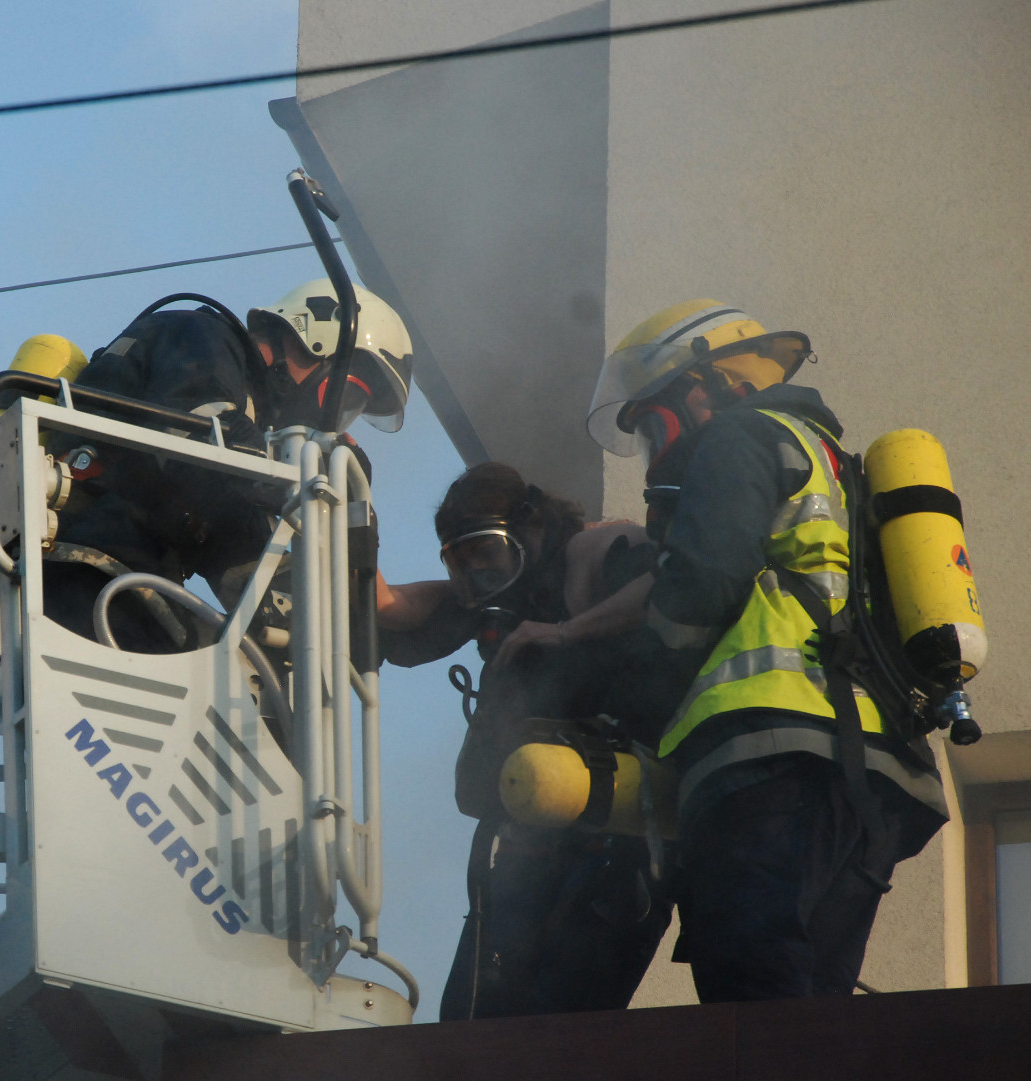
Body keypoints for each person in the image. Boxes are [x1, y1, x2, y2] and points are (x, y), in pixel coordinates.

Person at [587, 299, 946, 1001]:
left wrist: (633, 696)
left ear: (707, 384)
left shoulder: (741, 436)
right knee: (813, 997)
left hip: (776, 755)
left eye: (654, 425)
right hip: (881, 776)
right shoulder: (836, 465)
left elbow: (705, 582)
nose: (657, 451)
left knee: (751, 986)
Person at [377, 463, 670, 1020]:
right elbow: (395, 607)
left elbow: (674, 583)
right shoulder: (500, 603)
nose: (478, 576)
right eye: (459, 563)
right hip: (523, 848)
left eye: (486, 552)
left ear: (531, 524)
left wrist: (564, 631)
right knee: (470, 1022)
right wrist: (342, 514)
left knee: (561, 1030)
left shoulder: (599, 549)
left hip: (614, 843)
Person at [42, 281, 413, 652]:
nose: (333, 421)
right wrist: (312, 465)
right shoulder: (202, 337)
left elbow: (242, 550)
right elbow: (197, 433)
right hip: (87, 560)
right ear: (316, 337)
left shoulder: (239, 454)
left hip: (123, 580)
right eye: (346, 397)